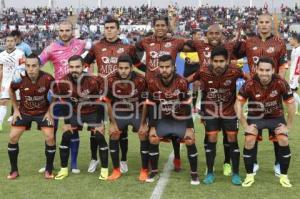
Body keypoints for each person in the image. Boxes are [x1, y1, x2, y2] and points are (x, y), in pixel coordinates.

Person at [84, 18, 145, 174]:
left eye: (112, 27)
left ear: (118, 30)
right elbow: (84, 65)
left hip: (118, 97)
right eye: (106, 27)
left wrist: (154, 73)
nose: (109, 30)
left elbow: (138, 66)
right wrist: (90, 78)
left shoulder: (128, 48)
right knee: (96, 129)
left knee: (120, 130)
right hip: (98, 95)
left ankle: (123, 160)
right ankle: (94, 158)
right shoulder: (96, 47)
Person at [234, 14, 289, 175]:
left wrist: (279, 84)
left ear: (271, 25)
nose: (264, 25)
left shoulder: (279, 42)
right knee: (253, 129)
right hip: (254, 92)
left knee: (278, 130)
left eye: (267, 22)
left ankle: (279, 163)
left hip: (274, 92)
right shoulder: (249, 42)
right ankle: (254, 162)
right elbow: (234, 54)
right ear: (257, 24)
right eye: (261, 22)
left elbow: (283, 65)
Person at [39, 20, 92, 174]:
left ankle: (73, 164)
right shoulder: (51, 48)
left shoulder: (81, 44)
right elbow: (38, 62)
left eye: (67, 30)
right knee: (51, 130)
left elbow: (98, 48)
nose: (64, 33)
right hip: (56, 97)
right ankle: (49, 163)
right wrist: (21, 67)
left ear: (72, 31)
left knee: (73, 130)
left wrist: (89, 71)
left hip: (75, 97)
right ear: (58, 31)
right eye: (61, 30)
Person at [188, 46, 245, 185]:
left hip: (230, 112)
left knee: (232, 139)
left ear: (227, 61)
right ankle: (210, 173)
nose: (218, 64)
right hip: (211, 112)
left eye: (221, 61)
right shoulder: (203, 71)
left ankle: (236, 173)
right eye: (215, 61)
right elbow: (186, 81)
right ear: (211, 61)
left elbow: (252, 80)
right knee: (211, 139)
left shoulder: (235, 71)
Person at [235, 57, 295, 187]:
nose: (264, 73)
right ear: (256, 69)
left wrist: (288, 126)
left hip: (275, 117)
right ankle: (249, 176)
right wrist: (245, 126)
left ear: (273, 70)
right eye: (261, 69)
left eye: (267, 70)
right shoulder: (249, 83)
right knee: (250, 139)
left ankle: (284, 176)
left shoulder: (280, 82)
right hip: (256, 117)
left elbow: (291, 104)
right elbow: (238, 104)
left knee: (283, 139)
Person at [135, 15, 186, 171]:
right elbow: (133, 52)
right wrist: (144, 69)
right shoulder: (145, 41)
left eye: (163, 25)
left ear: (167, 27)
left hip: (171, 89)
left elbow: (194, 47)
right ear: (154, 26)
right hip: (151, 90)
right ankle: (151, 160)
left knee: (174, 123)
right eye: (157, 25)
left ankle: (177, 157)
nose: (160, 28)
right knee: (151, 126)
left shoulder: (176, 42)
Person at [145, 54, 199, 185]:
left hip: (179, 119)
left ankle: (194, 174)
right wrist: (152, 126)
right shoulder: (153, 82)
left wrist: (189, 128)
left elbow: (187, 105)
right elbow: (152, 106)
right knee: (152, 137)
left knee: (190, 139)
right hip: (163, 119)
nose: (164, 69)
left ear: (173, 67)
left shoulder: (181, 82)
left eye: (167, 67)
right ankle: (153, 171)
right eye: (162, 67)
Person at [54, 55, 108, 180]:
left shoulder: (95, 80)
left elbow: (101, 102)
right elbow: (65, 103)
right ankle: (63, 170)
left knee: (99, 136)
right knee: (66, 135)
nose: (74, 69)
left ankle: (104, 170)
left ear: (83, 66)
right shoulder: (63, 82)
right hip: (75, 112)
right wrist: (67, 122)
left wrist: (99, 122)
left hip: (93, 111)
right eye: (71, 67)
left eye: (77, 66)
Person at [7, 53, 55, 180]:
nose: (31, 69)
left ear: (39, 66)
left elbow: (55, 94)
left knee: (50, 137)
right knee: (12, 137)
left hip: (42, 113)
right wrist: (16, 110)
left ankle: (49, 170)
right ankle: (14, 171)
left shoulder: (48, 78)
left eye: (34, 66)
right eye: (28, 66)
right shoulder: (19, 77)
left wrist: (49, 112)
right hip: (24, 113)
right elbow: (11, 90)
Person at [105, 54, 149, 181]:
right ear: (117, 68)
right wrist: (112, 123)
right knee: (114, 134)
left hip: (137, 112)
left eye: (126, 68)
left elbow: (146, 101)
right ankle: (116, 170)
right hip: (119, 112)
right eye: (120, 68)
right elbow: (107, 101)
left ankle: (144, 170)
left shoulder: (141, 80)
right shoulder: (111, 79)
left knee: (143, 134)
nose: (123, 71)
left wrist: (143, 123)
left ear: (131, 68)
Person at [0, 34, 25, 132]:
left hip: (17, 82)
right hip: (5, 83)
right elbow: (1, 70)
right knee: (3, 102)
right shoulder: (1, 55)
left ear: (15, 42)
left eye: (11, 41)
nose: (9, 43)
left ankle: (13, 119)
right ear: (5, 42)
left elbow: (23, 68)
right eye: (8, 41)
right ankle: (0, 123)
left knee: (18, 102)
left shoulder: (20, 53)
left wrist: (21, 81)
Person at [288, 32, 300, 115]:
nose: (289, 40)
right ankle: (296, 111)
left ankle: (295, 110)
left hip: (296, 74)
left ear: (295, 40)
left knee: (291, 91)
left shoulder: (299, 50)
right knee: (293, 92)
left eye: (291, 39)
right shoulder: (294, 49)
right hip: (292, 73)